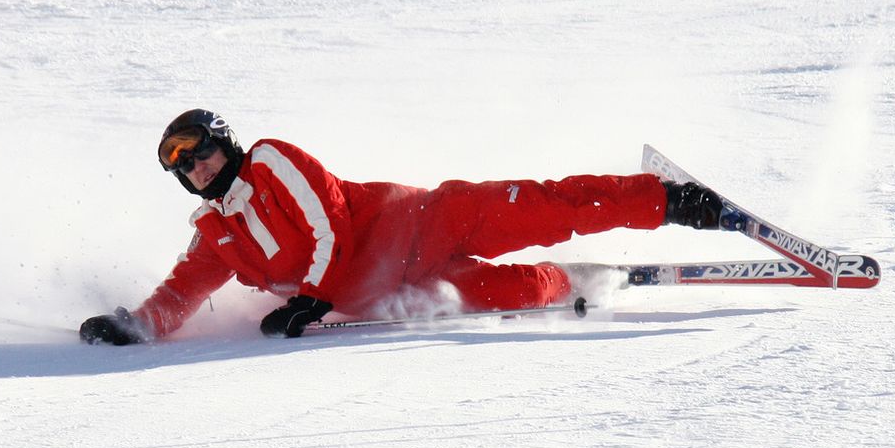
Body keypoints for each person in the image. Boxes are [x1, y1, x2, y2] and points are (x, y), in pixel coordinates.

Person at [79, 109, 722, 344]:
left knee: (546, 209)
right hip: (391, 297)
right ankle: (573, 281)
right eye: (179, 163)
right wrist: (134, 326)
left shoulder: (271, 162)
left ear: (225, 141)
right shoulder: (214, 233)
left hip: (422, 225)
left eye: (198, 148)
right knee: (516, 294)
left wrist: (311, 298)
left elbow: (328, 223)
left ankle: (671, 201)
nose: (194, 166)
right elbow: (184, 289)